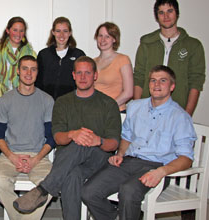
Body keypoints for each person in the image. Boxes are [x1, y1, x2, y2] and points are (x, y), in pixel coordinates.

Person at [81, 65, 196, 220]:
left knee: (128, 191)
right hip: (128, 162)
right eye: (153, 80)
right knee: (88, 192)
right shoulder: (135, 107)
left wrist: (161, 172)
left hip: (156, 166)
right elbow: (127, 137)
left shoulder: (180, 117)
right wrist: (120, 154)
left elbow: (186, 158)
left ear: (172, 86)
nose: (157, 84)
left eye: (163, 81)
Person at [13, 56, 121, 220]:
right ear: (73, 75)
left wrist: (97, 140)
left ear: (95, 75)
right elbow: (57, 138)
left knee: (83, 142)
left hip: (98, 160)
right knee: (72, 173)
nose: (83, 77)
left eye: (87, 73)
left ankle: (44, 189)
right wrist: (72, 134)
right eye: (79, 73)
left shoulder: (108, 104)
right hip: (67, 161)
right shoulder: (63, 102)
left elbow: (113, 144)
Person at [0, 55, 55, 219]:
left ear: (37, 73)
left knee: (51, 185)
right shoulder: (5, 100)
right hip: (10, 155)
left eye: (33, 69)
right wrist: (12, 157)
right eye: (25, 68)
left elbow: (52, 137)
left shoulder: (47, 100)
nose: (29, 73)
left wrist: (36, 160)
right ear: (18, 72)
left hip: (38, 156)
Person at [133, 0, 205, 116]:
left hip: (177, 111)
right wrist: (137, 110)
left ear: (177, 13)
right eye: (161, 12)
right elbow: (139, 77)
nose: (166, 16)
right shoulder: (146, 43)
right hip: (147, 111)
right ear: (156, 16)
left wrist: (186, 115)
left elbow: (196, 82)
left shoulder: (193, 45)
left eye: (170, 11)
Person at [36, 17, 85, 100]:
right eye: (58, 31)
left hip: (71, 103)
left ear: (70, 33)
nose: (61, 35)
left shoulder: (79, 55)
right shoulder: (43, 55)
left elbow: (83, 81)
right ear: (53, 32)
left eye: (65, 31)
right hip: (46, 102)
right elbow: (37, 81)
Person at [0, 16, 36, 97]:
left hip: (24, 97)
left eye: (21, 31)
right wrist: (1, 97)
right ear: (8, 30)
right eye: (15, 30)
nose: (18, 34)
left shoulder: (31, 54)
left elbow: (33, 76)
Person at [93, 22, 133, 112]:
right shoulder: (92, 62)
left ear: (114, 39)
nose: (103, 40)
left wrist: (108, 107)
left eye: (107, 36)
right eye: (100, 36)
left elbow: (129, 92)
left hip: (115, 111)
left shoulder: (123, 60)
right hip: (96, 112)